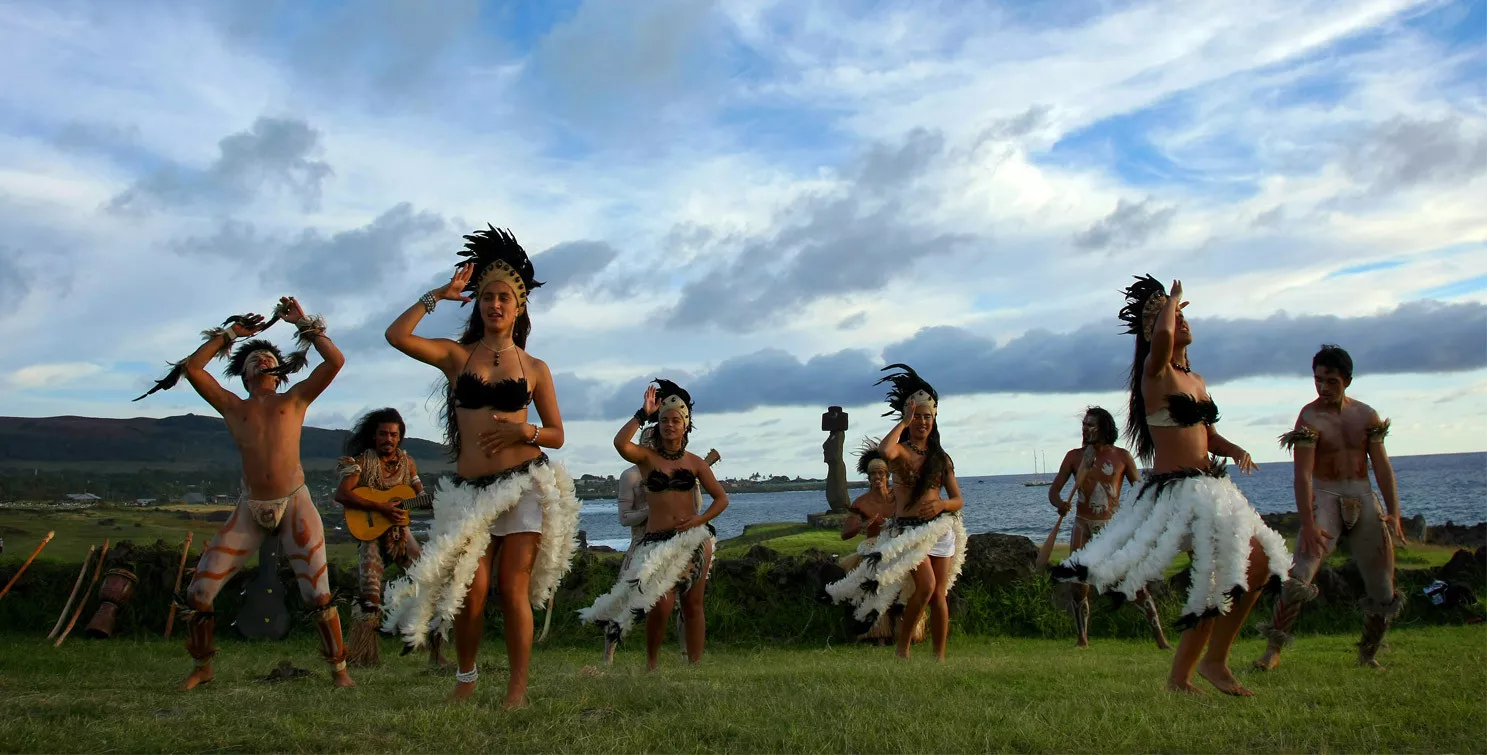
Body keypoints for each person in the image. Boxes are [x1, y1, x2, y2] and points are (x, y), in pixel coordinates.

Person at [1052, 276, 1290, 696]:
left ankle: (1191, 671)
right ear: (1154, 328)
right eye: (1172, 317)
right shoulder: (1155, 371)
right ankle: (1204, 666)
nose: (1180, 322)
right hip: (1178, 493)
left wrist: (1233, 449)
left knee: (1254, 568)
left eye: (1182, 316)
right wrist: (1172, 301)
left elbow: (1206, 434)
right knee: (1227, 571)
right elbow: (1161, 336)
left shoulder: (1195, 380)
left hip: (1210, 485)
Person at [380, 225, 580, 708]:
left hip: (523, 486)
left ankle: (517, 689)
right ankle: (466, 678)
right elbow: (395, 335)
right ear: (478, 304)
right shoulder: (457, 357)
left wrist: (521, 431)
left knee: (513, 590)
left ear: (519, 307)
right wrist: (438, 295)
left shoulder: (535, 368)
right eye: (487, 297)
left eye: (504, 298)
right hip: (471, 491)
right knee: (470, 589)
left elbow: (556, 432)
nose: (495, 305)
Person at [144, 297, 353, 690]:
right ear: (243, 372)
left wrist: (303, 322)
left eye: (266, 357)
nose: (260, 360)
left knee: (317, 594)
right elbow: (192, 369)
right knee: (200, 591)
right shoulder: (232, 406)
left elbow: (334, 362)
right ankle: (202, 666)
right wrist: (230, 334)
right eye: (252, 358)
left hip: (294, 500)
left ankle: (339, 669)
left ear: (280, 371)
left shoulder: (295, 400)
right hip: (249, 506)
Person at [1254, 344, 1404, 670]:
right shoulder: (1309, 417)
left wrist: (1394, 511)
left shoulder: (1366, 415)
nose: (1323, 388)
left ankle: (1368, 653)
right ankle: (1272, 650)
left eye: (1331, 381)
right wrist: (1307, 524)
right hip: (1325, 496)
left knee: (1383, 586)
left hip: (1363, 496)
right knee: (1300, 575)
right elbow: (1303, 475)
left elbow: (1382, 467)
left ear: (1347, 380)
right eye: (1318, 379)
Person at [581, 380, 729, 670]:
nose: (669, 425)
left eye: (676, 420)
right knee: (659, 605)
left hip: (693, 540)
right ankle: (652, 665)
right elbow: (620, 444)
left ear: (686, 426)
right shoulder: (647, 459)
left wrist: (700, 520)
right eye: (663, 420)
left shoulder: (696, 463)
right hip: (655, 541)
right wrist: (642, 413)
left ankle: (695, 667)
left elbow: (721, 499)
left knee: (693, 605)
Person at [827, 365, 966, 661]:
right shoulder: (901, 451)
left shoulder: (941, 457)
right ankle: (902, 648)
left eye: (927, 416)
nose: (922, 422)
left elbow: (957, 500)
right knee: (926, 587)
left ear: (935, 418)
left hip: (939, 530)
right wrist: (903, 422)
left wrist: (942, 505)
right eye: (917, 416)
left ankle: (939, 656)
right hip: (909, 532)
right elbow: (885, 450)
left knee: (939, 595)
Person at [1048, 407, 1171, 649]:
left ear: (1104, 428)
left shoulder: (1122, 457)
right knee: (1078, 585)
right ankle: (1082, 639)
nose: (1085, 429)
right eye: (1084, 424)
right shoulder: (1074, 457)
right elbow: (1054, 491)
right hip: (1082, 525)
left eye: (1091, 424)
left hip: (1112, 527)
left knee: (1133, 581)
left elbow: (1138, 491)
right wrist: (1060, 504)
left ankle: (1160, 637)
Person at [333, 408, 447, 668]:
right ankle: (364, 656)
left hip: (400, 534)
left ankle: (436, 654)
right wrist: (381, 507)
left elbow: (419, 496)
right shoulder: (361, 462)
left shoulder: (408, 463)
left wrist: (441, 499)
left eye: (393, 434)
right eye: (383, 433)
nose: (388, 439)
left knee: (429, 581)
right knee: (370, 595)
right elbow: (342, 494)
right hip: (370, 534)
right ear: (374, 436)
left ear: (400, 437)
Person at [607, 431, 720, 664]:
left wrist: (689, 496)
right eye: (647, 442)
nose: (652, 445)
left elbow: (699, 506)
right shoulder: (630, 475)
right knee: (625, 599)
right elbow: (624, 518)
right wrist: (655, 508)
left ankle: (686, 654)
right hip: (644, 542)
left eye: (653, 441)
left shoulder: (687, 466)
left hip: (683, 541)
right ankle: (608, 656)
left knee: (687, 603)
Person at [838, 438, 925, 645]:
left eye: (880, 473)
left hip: (897, 544)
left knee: (909, 579)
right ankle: (877, 632)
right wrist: (862, 525)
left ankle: (909, 631)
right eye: (873, 474)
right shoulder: (862, 502)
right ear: (868, 478)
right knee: (873, 576)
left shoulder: (899, 497)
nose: (877, 477)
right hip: (873, 548)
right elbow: (845, 533)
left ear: (888, 476)